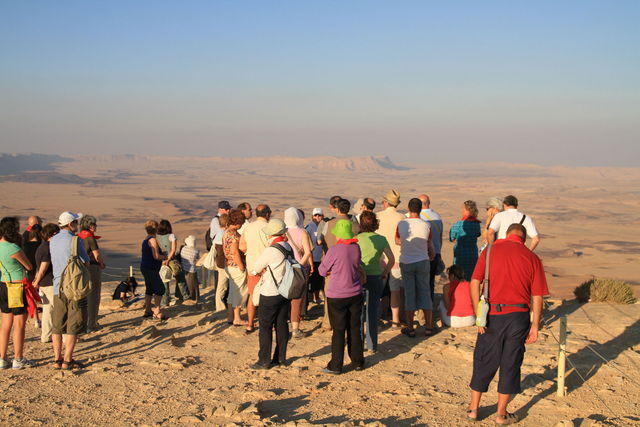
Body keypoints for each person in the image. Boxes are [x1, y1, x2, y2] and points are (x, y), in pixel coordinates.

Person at [467, 224, 549, 424]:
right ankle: (501, 414)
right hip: (518, 317)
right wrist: (535, 325)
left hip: (491, 314)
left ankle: (473, 410)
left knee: (484, 359)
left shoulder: (490, 250)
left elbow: (474, 282)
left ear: (507, 235)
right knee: (511, 363)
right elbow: (537, 295)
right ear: (523, 238)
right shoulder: (532, 258)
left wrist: (478, 314)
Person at [319, 220, 366, 374]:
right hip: (355, 293)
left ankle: (336, 365)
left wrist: (330, 270)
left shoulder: (334, 250)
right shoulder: (356, 248)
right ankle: (358, 361)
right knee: (354, 328)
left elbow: (321, 270)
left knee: (339, 331)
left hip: (337, 295)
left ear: (338, 235)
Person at [50, 212, 90, 369]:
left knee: (58, 324)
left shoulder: (52, 240)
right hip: (74, 287)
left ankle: (56, 359)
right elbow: (85, 261)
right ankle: (67, 360)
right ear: (71, 224)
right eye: (76, 222)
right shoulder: (76, 240)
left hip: (57, 287)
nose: (78, 224)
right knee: (74, 323)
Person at [250, 219, 292, 369]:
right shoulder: (287, 246)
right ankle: (280, 358)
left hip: (270, 292)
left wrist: (260, 270)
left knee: (265, 327)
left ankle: (264, 360)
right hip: (285, 291)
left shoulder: (271, 249)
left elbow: (255, 268)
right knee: (281, 325)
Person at [317, 199, 360, 329]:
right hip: (351, 266)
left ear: (337, 208)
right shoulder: (355, 226)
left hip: (330, 266)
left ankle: (328, 322)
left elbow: (319, 240)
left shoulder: (328, 224)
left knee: (330, 294)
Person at [396, 198, 435, 337]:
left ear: (408, 208)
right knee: (425, 292)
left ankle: (410, 327)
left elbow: (397, 240)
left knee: (410, 294)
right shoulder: (426, 225)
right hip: (423, 261)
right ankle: (429, 327)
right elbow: (429, 243)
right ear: (420, 209)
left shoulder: (401, 224)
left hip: (406, 261)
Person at [357, 211, 394, 352]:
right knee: (372, 312)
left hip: (359, 277)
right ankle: (372, 345)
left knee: (359, 312)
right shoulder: (381, 239)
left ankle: (358, 343)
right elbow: (391, 259)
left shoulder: (357, 238)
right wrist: (384, 273)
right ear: (375, 224)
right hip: (376, 277)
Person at [0, 217, 34, 369]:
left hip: (3, 284)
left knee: (5, 324)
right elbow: (29, 266)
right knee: (19, 324)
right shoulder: (13, 249)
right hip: (17, 286)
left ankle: (2, 358)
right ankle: (18, 359)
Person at [239, 204, 271, 334]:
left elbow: (242, 247)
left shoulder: (248, 227)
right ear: (267, 214)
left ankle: (250, 324)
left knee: (252, 295)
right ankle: (268, 323)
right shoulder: (269, 227)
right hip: (267, 266)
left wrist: (252, 253)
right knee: (268, 296)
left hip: (252, 266)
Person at [376, 189, 405, 328]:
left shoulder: (377, 216)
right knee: (395, 291)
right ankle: (395, 320)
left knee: (377, 290)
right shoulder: (402, 218)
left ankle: (376, 316)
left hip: (380, 259)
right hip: (397, 259)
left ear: (386, 203)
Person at [284, 207, 314, 338]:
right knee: (297, 299)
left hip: (284, 268)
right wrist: (299, 266)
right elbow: (308, 252)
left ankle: (282, 326)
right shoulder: (303, 232)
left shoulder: (283, 232)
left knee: (284, 296)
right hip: (298, 269)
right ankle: (295, 329)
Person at [32, 223, 60, 343]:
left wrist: (37, 280)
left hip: (44, 284)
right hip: (49, 283)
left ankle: (45, 336)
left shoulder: (41, 247)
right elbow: (43, 268)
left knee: (47, 311)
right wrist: (36, 281)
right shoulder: (48, 248)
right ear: (52, 235)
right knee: (58, 310)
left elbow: (39, 268)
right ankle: (63, 337)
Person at [78, 215, 106, 332]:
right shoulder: (90, 238)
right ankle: (92, 323)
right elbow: (97, 254)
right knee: (94, 296)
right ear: (90, 226)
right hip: (92, 268)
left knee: (83, 297)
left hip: (81, 269)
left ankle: (83, 323)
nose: (96, 227)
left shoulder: (78, 237)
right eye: (95, 225)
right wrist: (102, 264)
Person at [222, 209, 247, 326]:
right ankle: (237, 318)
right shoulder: (233, 235)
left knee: (232, 291)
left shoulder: (226, 232)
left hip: (229, 265)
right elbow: (235, 253)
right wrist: (242, 267)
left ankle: (230, 316)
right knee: (239, 292)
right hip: (236, 266)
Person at [140, 220, 167, 320]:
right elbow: (156, 256)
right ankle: (157, 311)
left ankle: (147, 310)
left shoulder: (146, 239)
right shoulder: (152, 240)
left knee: (150, 289)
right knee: (160, 289)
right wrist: (164, 256)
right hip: (151, 268)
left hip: (146, 267)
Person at [418, 194, 443, 304]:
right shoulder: (437, 216)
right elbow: (440, 238)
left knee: (420, 282)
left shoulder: (417, 216)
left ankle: (420, 307)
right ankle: (429, 305)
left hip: (422, 254)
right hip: (436, 253)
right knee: (430, 282)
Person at [157, 219, 189, 305]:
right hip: (170, 260)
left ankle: (164, 301)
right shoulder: (171, 236)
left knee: (164, 280)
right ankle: (184, 296)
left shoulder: (156, 236)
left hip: (160, 260)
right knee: (180, 277)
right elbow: (173, 250)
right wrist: (168, 259)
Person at [449, 201, 482, 281]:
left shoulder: (458, 224)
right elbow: (478, 234)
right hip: (472, 255)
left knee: (458, 278)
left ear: (467, 210)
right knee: (470, 278)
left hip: (460, 255)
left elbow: (451, 238)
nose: (462, 211)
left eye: (463, 209)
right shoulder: (477, 224)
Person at [210, 201, 232, 312]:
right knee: (222, 284)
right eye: (226, 209)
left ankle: (222, 305)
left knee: (222, 284)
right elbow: (215, 236)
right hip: (221, 256)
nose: (228, 211)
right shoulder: (216, 220)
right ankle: (221, 306)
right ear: (220, 209)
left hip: (221, 257)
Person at [305, 208, 325, 304]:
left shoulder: (325, 226)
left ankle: (318, 297)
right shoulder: (309, 227)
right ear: (312, 216)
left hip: (322, 257)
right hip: (313, 257)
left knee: (320, 279)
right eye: (315, 215)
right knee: (313, 279)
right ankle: (312, 297)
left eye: (319, 215)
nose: (317, 217)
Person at [180, 235, 200, 303]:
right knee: (194, 285)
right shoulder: (195, 251)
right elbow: (197, 258)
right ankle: (195, 298)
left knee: (188, 284)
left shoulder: (183, 248)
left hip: (184, 269)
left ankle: (190, 297)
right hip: (192, 270)